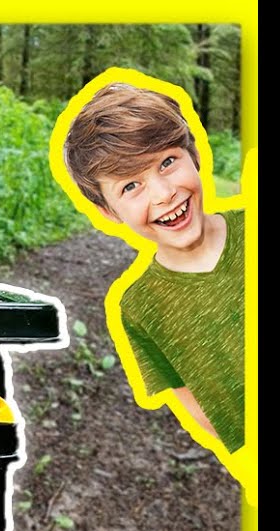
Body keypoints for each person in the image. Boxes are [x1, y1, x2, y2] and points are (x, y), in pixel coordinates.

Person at [61, 81, 245, 453]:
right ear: (108, 212)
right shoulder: (139, 308)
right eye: (131, 186)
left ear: (193, 156)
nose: (164, 194)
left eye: (167, 162)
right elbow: (205, 411)